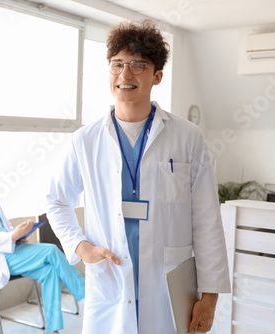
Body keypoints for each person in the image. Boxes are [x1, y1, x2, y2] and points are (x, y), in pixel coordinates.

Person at [46, 19, 230, 334]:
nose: (125, 74)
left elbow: (207, 218)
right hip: (109, 282)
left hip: (168, 282)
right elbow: (57, 200)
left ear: (157, 75)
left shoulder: (187, 137)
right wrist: (79, 245)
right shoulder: (85, 139)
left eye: (137, 65)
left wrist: (210, 296)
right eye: (116, 64)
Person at [0, 156, 85, 334]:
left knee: (49, 271)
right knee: (51, 251)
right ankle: (86, 293)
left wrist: (19, 233)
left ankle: (52, 329)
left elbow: (4, 227)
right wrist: (11, 237)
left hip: (10, 248)